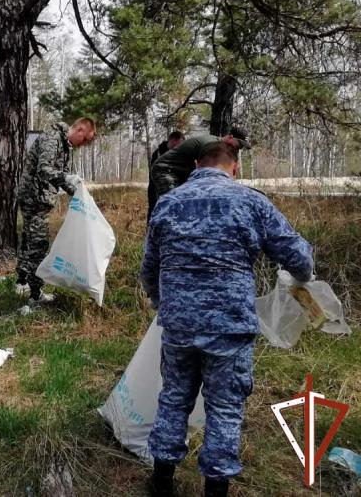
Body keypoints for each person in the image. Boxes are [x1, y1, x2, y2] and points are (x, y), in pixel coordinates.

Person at [140, 143, 313, 497]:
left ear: (195, 165)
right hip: (229, 327)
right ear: (234, 167)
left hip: (179, 325)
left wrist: (164, 305)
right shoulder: (251, 202)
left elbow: (149, 269)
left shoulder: (168, 203)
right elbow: (298, 257)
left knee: (174, 398)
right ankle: (216, 489)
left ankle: (161, 482)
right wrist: (304, 277)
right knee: (225, 407)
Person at [15, 117, 96, 304]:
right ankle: (35, 294)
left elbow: (62, 177)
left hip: (38, 199)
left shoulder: (65, 146)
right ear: (80, 130)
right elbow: (44, 169)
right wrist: (66, 177)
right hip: (33, 198)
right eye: (85, 139)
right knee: (39, 244)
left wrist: (78, 193)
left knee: (29, 240)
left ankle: (21, 282)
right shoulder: (53, 138)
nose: (84, 144)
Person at [150, 126, 250, 198]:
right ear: (230, 137)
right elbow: (204, 175)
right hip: (164, 169)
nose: (239, 148)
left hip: (178, 172)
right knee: (174, 201)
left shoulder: (217, 146)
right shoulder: (210, 145)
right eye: (239, 144)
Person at [147, 131, 184, 221]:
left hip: (174, 191)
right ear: (173, 141)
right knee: (155, 212)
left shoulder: (178, 154)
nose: (181, 147)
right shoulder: (159, 153)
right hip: (157, 190)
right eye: (180, 143)